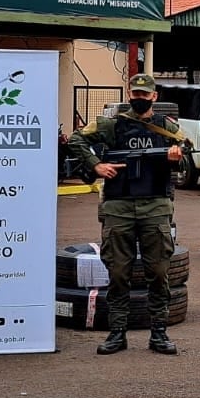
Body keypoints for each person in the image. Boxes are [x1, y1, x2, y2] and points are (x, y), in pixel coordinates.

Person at [65, 73, 185, 356]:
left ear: (154, 96)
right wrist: (96, 165)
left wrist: (176, 157)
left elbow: (184, 154)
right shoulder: (112, 124)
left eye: (145, 94)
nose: (140, 98)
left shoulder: (167, 127)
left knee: (159, 272)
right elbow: (76, 139)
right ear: (129, 94)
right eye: (135, 93)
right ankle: (117, 332)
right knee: (118, 272)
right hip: (119, 206)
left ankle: (159, 332)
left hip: (155, 206)